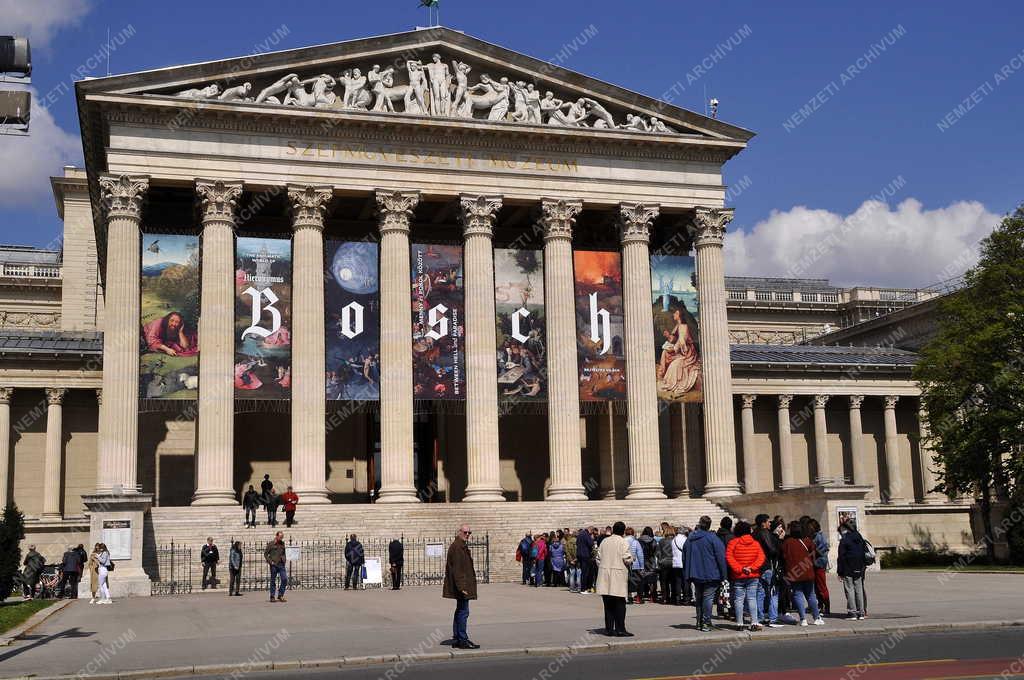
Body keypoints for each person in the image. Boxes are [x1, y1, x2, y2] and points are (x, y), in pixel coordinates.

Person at [683, 515, 727, 632]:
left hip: (695, 573)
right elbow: (721, 557)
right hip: (711, 573)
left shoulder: (690, 538)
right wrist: (724, 574)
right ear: (709, 525)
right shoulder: (712, 538)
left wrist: (687, 571)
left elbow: (684, 555)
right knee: (708, 598)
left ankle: (699, 621)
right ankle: (706, 622)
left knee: (699, 598)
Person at [443, 524, 479, 649]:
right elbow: (458, 570)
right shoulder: (458, 547)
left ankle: (458, 637)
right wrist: (462, 587)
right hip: (463, 586)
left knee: (460, 611)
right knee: (464, 612)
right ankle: (462, 639)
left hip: (462, 585)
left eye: (469, 532)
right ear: (459, 532)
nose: (468, 534)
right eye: (465, 532)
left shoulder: (460, 545)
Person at [781, 521, 824, 626]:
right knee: (811, 595)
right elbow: (815, 553)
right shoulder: (808, 541)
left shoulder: (787, 542)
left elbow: (783, 557)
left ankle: (803, 619)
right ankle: (817, 617)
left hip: (794, 573)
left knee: (797, 595)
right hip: (807, 570)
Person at [595, 521, 634, 637]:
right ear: (623, 531)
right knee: (620, 605)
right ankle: (620, 629)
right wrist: (632, 559)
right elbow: (627, 559)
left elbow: (598, 558)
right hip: (618, 576)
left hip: (605, 575)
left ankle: (609, 629)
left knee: (608, 605)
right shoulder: (623, 542)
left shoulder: (604, 541)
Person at [726, 521, 766, 631]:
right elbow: (761, 558)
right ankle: (754, 622)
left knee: (738, 599)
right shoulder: (756, 543)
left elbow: (730, 558)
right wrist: (751, 568)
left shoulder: (733, 543)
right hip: (753, 575)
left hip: (738, 575)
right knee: (752, 598)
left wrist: (741, 568)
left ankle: (739, 623)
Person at [754, 513, 782, 627]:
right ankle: (773, 618)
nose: (770, 523)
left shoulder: (754, 534)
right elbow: (772, 550)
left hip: (758, 567)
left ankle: (760, 617)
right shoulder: (764, 533)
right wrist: (778, 539)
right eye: (768, 521)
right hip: (767, 566)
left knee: (760, 593)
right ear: (763, 523)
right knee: (773, 593)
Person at [837, 520, 867, 620]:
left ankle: (852, 612)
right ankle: (861, 612)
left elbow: (841, 557)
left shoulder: (844, 540)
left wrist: (840, 572)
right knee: (859, 589)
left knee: (849, 590)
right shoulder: (860, 538)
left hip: (848, 568)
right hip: (859, 567)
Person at [809, 518, 831, 616]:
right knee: (816, 587)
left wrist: (812, 551)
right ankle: (820, 606)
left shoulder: (819, 536)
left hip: (819, 564)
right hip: (814, 564)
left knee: (821, 586)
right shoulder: (813, 536)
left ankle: (826, 607)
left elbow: (823, 550)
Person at [264, 531, 287, 603]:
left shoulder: (282, 543)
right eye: (280, 537)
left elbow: (283, 552)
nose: (281, 538)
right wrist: (271, 562)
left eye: (282, 537)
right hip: (274, 565)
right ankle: (272, 596)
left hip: (281, 564)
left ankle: (280, 595)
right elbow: (265, 554)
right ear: (276, 536)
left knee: (284, 579)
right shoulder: (271, 544)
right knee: (273, 580)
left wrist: (284, 558)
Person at [638, 527, 658, 604]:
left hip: (642, 561)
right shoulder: (653, 541)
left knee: (641, 579)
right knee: (652, 581)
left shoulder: (639, 540)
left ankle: (640, 596)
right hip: (651, 561)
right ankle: (652, 597)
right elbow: (656, 552)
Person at [656, 526, 675, 604]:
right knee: (673, 581)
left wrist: (660, 559)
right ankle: (673, 597)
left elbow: (658, 552)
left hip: (664, 562)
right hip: (673, 562)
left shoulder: (661, 541)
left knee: (664, 581)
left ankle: (665, 598)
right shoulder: (675, 540)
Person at [625, 527, 644, 604]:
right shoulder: (636, 542)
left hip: (626, 564)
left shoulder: (623, 541)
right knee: (639, 582)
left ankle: (629, 598)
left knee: (627, 582)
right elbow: (640, 555)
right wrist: (642, 566)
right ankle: (638, 598)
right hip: (635, 565)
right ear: (633, 533)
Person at [576, 526, 594, 593]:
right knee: (585, 572)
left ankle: (582, 588)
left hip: (579, 555)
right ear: (590, 530)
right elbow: (591, 543)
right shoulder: (586, 534)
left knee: (583, 572)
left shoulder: (580, 534)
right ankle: (583, 589)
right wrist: (591, 538)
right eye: (592, 532)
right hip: (585, 555)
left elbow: (577, 543)